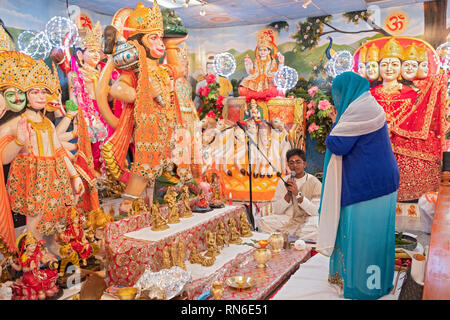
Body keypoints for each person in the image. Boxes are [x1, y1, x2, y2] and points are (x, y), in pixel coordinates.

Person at [96, 1, 191, 214]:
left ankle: (157, 207)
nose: (161, 44)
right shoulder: (135, 71)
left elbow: (178, 70)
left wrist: (174, 44)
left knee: (167, 170)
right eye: (153, 38)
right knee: (143, 169)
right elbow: (116, 90)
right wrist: (145, 94)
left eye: (161, 38)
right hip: (147, 131)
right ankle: (127, 206)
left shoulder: (164, 70)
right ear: (139, 42)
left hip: (168, 130)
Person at [317, 71, 400, 300]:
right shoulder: (366, 104)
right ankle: (374, 281)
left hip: (369, 185)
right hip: (377, 181)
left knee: (365, 236)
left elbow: (337, 144)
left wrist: (335, 122)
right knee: (375, 235)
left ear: (347, 92)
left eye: (338, 93)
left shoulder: (360, 109)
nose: (337, 99)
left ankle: (365, 287)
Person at [258, 148, 322, 241]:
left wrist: (297, 194)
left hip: (306, 220)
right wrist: (288, 195)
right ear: (288, 165)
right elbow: (277, 211)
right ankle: (290, 239)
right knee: (263, 222)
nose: (294, 165)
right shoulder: (283, 182)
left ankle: (284, 238)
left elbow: (315, 211)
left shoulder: (314, 182)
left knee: (318, 226)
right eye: (291, 163)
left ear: (304, 164)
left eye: (298, 162)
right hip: (288, 219)